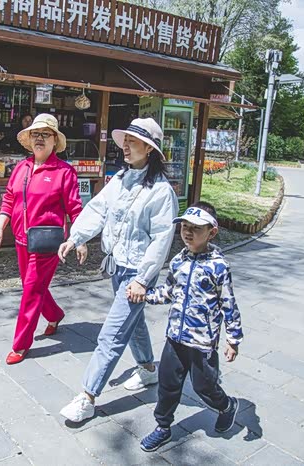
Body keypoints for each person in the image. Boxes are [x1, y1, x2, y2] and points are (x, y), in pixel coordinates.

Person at [57, 118, 178, 423]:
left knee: (112, 333)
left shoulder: (161, 192)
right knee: (132, 322)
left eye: (133, 142)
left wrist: (142, 280)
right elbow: (98, 209)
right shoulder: (120, 179)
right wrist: (76, 237)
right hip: (117, 265)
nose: (125, 146)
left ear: (149, 149)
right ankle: (148, 369)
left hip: (138, 272)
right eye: (125, 140)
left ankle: (88, 396)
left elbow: (161, 239)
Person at [138, 201, 243, 452]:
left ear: (211, 232)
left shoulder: (218, 266)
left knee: (204, 387)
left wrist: (233, 339)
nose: (188, 232)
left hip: (202, 342)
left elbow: (228, 303)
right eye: (185, 226)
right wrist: (145, 295)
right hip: (175, 337)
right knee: (167, 384)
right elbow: (169, 291)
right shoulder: (178, 260)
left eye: (196, 228)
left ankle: (227, 406)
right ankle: (163, 427)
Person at [0, 113, 84, 365]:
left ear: (55, 140)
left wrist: (80, 239)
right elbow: (9, 199)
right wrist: (0, 229)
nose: (39, 138)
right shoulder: (21, 168)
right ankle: (54, 315)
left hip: (47, 242)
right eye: (35, 134)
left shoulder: (64, 172)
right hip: (22, 239)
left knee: (31, 290)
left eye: (45, 134)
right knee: (32, 286)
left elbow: (75, 209)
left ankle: (21, 344)